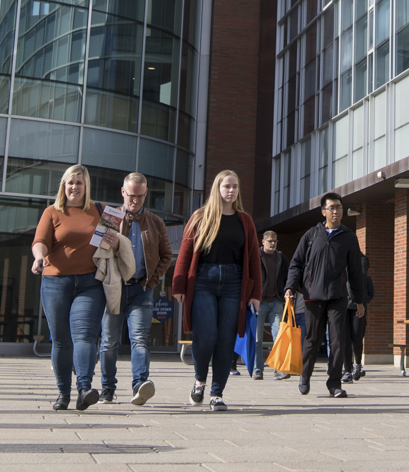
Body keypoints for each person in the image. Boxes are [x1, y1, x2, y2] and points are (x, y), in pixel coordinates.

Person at [171, 170, 263, 411]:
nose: (231, 190)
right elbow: (185, 252)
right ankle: (199, 381)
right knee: (207, 334)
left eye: (234, 186)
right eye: (226, 186)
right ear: (217, 189)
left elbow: (253, 258)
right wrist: (178, 285)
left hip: (234, 282)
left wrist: (256, 294)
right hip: (203, 280)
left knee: (225, 340)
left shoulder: (245, 221)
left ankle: (216, 393)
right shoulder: (201, 217)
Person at [32, 165, 107, 411]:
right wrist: (39, 257)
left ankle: (84, 388)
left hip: (90, 282)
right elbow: (40, 241)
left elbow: (113, 239)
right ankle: (63, 393)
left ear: (87, 187)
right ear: (63, 186)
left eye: (79, 183)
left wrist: (115, 241)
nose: (74, 187)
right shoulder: (52, 212)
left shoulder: (100, 211)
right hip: (56, 282)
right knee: (62, 341)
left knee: (85, 335)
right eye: (70, 182)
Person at [285, 192, 371, 398]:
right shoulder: (312, 235)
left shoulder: (349, 237)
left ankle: (334, 383)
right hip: (312, 295)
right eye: (331, 207)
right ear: (323, 211)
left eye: (339, 207)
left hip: (338, 296)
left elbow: (355, 272)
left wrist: (360, 300)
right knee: (312, 339)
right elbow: (296, 263)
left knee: (338, 341)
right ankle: (305, 376)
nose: (335, 211)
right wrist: (290, 287)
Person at [97, 173, 172, 407]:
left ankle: (140, 385)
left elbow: (166, 256)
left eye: (140, 196)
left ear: (146, 193)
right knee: (109, 341)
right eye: (131, 195)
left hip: (141, 289)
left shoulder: (156, 222)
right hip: (114, 288)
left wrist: (150, 283)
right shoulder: (110, 216)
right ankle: (107, 389)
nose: (135, 200)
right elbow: (98, 251)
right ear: (123, 192)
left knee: (140, 339)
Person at [253, 231, 290, 380]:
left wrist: (287, 291)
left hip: (276, 300)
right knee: (257, 337)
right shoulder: (255, 256)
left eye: (275, 241)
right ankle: (258, 369)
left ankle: (278, 369)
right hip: (259, 301)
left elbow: (287, 277)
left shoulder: (281, 258)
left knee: (279, 336)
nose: (272, 243)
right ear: (263, 242)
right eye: (269, 241)